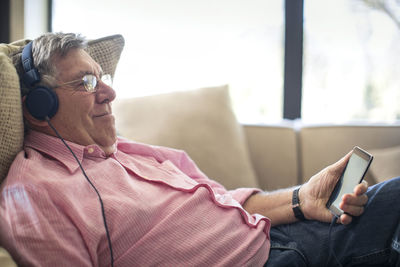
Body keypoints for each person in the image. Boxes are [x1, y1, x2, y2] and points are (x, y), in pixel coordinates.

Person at [0, 32, 399, 267]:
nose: (109, 91)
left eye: (101, 77)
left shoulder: (135, 153)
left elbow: (228, 202)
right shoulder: (34, 192)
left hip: (286, 238)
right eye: (86, 83)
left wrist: (301, 198)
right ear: (40, 108)